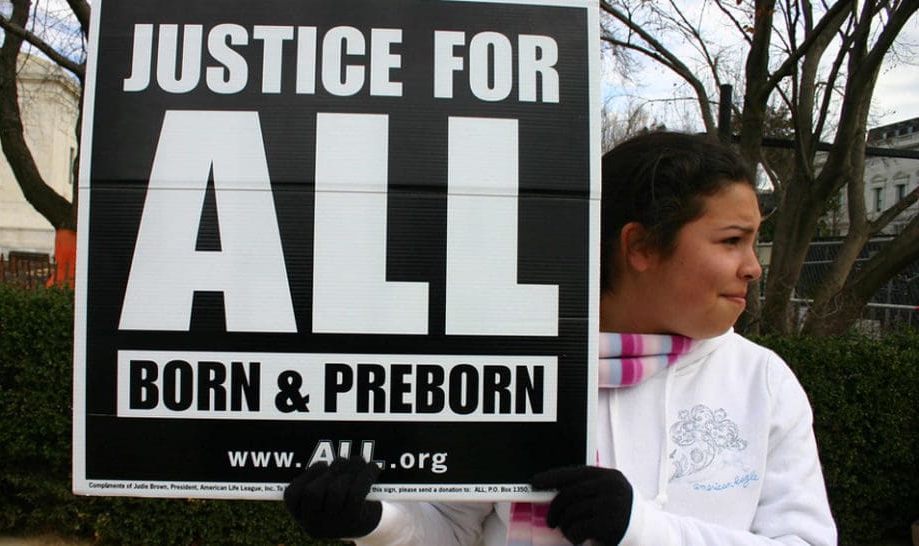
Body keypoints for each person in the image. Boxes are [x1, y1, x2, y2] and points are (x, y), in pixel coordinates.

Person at [283, 132, 838, 545]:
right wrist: (372, 522)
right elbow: (450, 526)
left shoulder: (762, 381)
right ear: (641, 247)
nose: (753, 267)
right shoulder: (513, 367)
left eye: (752, 242)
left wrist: (640, 529)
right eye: (732, 240)